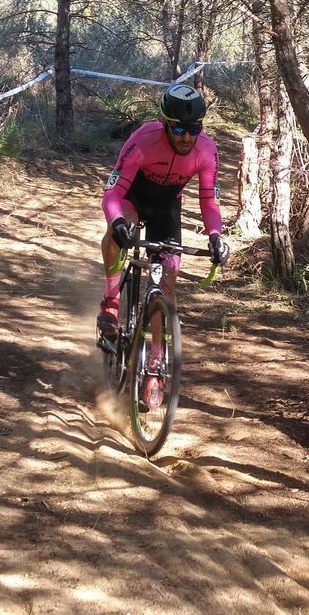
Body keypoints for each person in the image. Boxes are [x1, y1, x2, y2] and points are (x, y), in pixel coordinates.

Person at [99, 84, 230, 405]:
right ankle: (111, 301)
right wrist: (117, 223)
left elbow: (209, 202)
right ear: (164, 122)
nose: (187, 137)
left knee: (168, 277)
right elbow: (113, 194)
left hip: (166, 207)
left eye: (194, 129)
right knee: (120, 232)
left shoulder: (206, 151)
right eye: (179, 128)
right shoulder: (143, 141)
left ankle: (155, 366)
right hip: (133, 197)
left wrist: (216, 236)